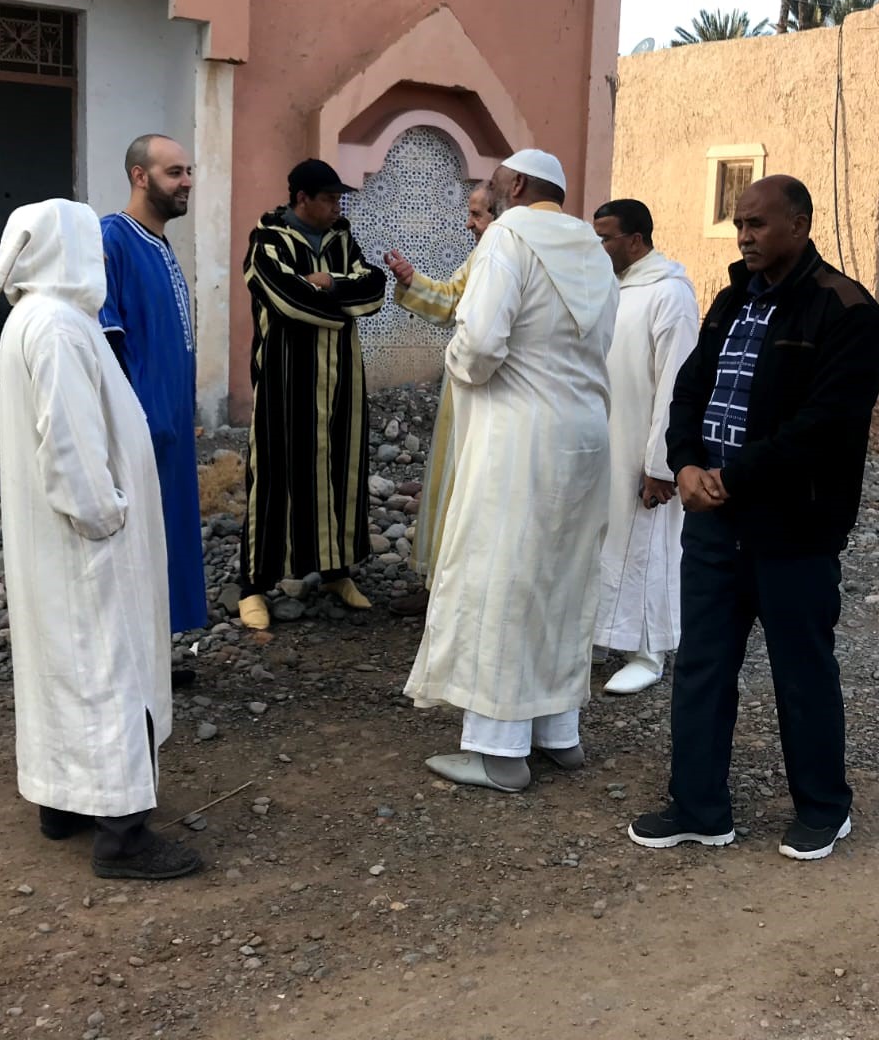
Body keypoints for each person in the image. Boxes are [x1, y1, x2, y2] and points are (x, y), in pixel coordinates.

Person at [627, 175, 879, 861]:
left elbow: (824, 427)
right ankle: (699, 807)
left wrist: (730, 478)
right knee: (703, 666)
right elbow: (690, 393)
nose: (743, 236)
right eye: (739, 224)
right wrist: (684, 463)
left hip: (794, 528)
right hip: (714, 522)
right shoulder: (729, 302)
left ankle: (825, 809)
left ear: (799, 225)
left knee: (801, 671)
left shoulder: (849, 313)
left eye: (757, 224)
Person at [0, 199, 203, 880]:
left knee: (67, 671)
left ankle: (66, 800)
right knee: (110, 671)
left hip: (61, 544)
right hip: (88, 542)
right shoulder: (56, 326)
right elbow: (72, 445)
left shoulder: (42, 319)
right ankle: (122, 834)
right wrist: (106, 516)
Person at [404, 149, 619, 792]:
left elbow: (479, 345)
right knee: (559, 580)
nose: (489, 190)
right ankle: (557, 732)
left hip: (520, 437)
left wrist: (457, 361)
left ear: (518, 185)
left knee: (499, 577)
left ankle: (498, 749)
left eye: (495, 181)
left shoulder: (508, 236)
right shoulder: (592, 249)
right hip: (584, 436)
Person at [238, 159, 388, 630]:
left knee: (341, 471)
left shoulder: (342, 239)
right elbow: (287, 300)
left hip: (343, 379)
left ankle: (334, 571)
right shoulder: (267, 242)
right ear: (302, 198)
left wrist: (333, 284)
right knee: (275, 476)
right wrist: (342, 303)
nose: (336, 206)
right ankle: (254, 584)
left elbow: (375, 289)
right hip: (286, 378)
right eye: (328, 198)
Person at [98, 135, 207, 638]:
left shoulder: (159, 244)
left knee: (167, 541)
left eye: (188, 171)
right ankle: (131, 665)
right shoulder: (113, 239)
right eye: (174, 173)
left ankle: (155, 654)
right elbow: (106, 341)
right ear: (140, 176)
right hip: (141, 430)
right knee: (136, 546)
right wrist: (136, 421)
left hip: (171, 430)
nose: (186, 182)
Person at [590, 198, 699, 694]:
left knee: (649, 546)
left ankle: (650, 652)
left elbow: (677, 385)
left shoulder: (669, 293)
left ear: (635, 240)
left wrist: (661, 464)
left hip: (643, 448)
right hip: (606, 440)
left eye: (605, 237)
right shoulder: (613, 288)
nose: (598, 246)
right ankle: (607, 633)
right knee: (606, 539)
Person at [382, 183, 498, 618]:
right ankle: (439, 585)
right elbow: (452, 300)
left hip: (500, 396)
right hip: (463, 391)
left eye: (478, 215)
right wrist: (412, 281)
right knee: (449, 480)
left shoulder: (517, 258)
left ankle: (470, 597)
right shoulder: (482, 256)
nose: (469, 223)